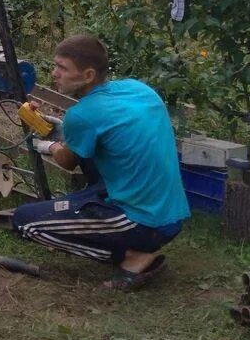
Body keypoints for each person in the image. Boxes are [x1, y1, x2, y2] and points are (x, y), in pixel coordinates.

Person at [11, 34, 190, 290]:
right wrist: (61, 130)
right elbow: (107, 132)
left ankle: (133, 257)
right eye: (56, 65)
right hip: (171, 213)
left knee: (24, 221)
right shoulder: (138, 90)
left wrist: (46, 145)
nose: (54, 73)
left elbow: (67, 160)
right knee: (95, 152)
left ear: (88, 75)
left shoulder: (82, 115)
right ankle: (106, 216)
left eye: (63, 68)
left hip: (142, 220)